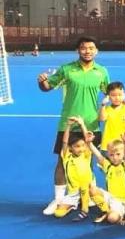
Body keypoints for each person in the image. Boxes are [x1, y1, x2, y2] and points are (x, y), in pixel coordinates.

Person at [37, 36, 110, 215]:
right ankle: (59, 199)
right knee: (62, 161)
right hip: (68, 123)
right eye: (84, 48)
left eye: (91, 48)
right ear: (78, 50)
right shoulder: (66, 69)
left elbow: (111, 93)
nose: (87, 51)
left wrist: (124, 105)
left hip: (91, 124)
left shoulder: (102, 72)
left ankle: (86, 195)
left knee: (88, 161)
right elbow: (47, 87)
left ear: (96, 51)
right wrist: (42, 81)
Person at [53, 116, 94, 221]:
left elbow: (87, 140)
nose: (81, 149)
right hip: (74, 193)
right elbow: (64, 142)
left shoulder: (86, 155)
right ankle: (73, 205)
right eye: (77, 146)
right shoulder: (66, 156)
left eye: (82, 145)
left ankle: (84, 208)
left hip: (89, 189)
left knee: (97, 196)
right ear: (70, 148)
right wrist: (68, 126)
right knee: (58, 213)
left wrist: (82, 125)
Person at [86, 135, 125, 224]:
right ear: (108, 154)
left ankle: (115, 214)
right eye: (111, 155)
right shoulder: (107, 166)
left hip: (123, 201)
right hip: (110, 197)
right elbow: (98, 155)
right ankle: (106, 211)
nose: (115, 157)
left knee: (112, 218)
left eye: (118, 154)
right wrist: (89, 143)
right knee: (92, 189)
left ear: (123, 154)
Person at [98, 81, 125, 152]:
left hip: (123, 146)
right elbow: (102, 119)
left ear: (124, 95)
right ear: (108, 96)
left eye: (120, 95)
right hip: (107, 146)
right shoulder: (106, 109)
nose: (117, 98)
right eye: (113, 95)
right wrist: (103, 105)